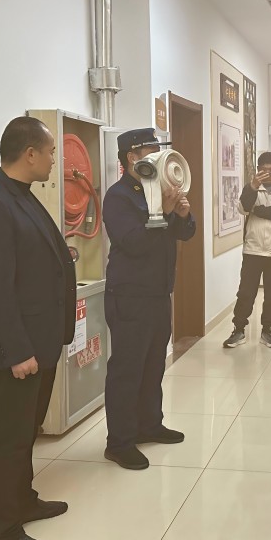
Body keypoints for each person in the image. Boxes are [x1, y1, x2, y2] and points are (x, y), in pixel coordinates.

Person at [0, 116, 77, 540]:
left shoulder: (21, 195)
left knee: (27, 430)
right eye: (50, 152)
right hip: (17, 349)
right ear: (29, 154)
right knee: (7, 437)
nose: (53, 160)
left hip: (38, 341)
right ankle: (3, 533)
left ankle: (22, 500)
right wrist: (18, 351)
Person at [102, 128, 196, 471]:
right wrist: (164, 213)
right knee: (127, 369)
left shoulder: (157, 188)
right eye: (151, 149)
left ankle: (149, 424)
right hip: (130, 295)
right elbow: (134, 242)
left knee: (154, 363)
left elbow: (185, 232)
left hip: (158, 292)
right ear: (132, 156)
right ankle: (119, 442)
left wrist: (181, 214)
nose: (158, 155)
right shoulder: (119, 197)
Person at [223, 151, 271, 349]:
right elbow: (243, 208)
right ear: (258, 170)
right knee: (246, 292)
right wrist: (253, 187)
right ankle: (238, 329)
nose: (268, 174)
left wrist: (258, 210)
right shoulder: (252, 188)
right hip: (253, 249)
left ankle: (267, 330)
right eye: (264, 170)